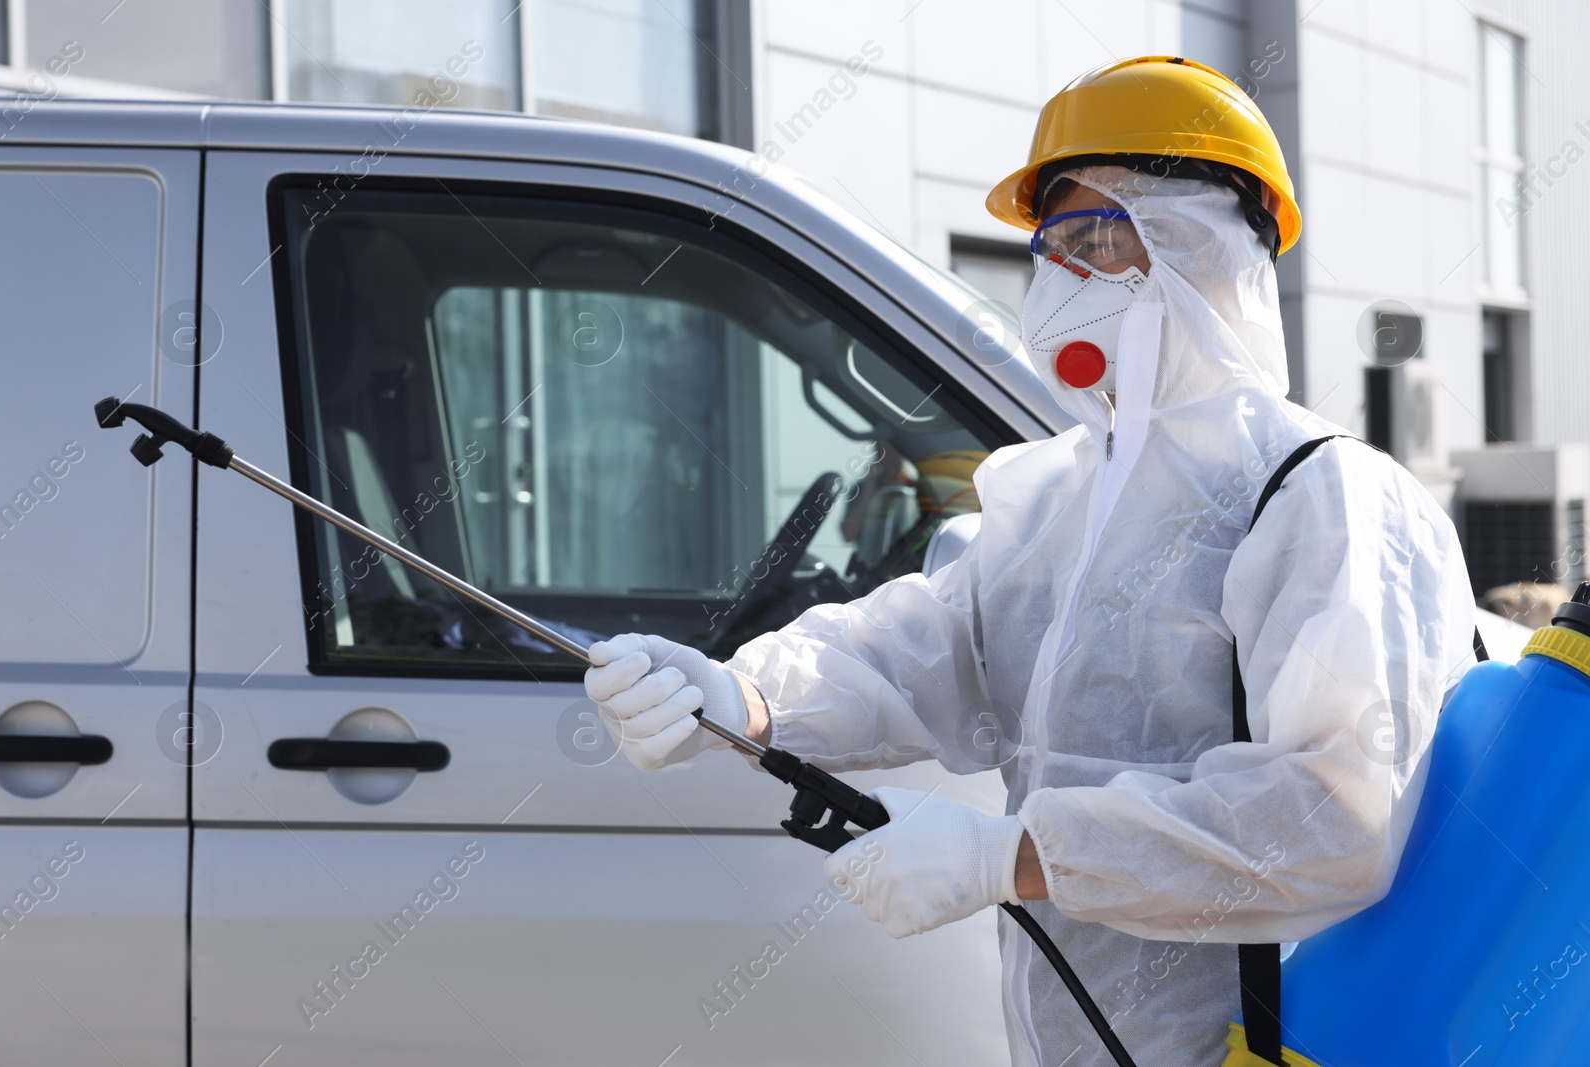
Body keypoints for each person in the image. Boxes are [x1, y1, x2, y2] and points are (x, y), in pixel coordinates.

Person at [583, 56, 1476, 1067]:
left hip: (1258, 1045)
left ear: (1205, 248)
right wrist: (739, 693)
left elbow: (1331, 815)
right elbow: (923, 645)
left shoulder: (1321, 495)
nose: (1061, 277)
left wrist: (1012, 850)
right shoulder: (1063, 497)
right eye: (1050, 247)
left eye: (1095, 237)